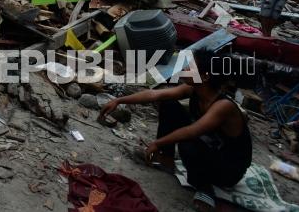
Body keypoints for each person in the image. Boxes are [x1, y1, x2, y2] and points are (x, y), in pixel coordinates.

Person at [98, 50, 252, 211]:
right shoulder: (193, 90)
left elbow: (192, 131)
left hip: (229, 168)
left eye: (190, 67)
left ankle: (205, 189)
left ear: (205, 77)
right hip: (210, 149)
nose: (184, 69)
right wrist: (119, 100)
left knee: (188, 142)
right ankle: (167, 159)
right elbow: (155, 94)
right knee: (169, 104)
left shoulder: (223, 106)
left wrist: (157, 143)